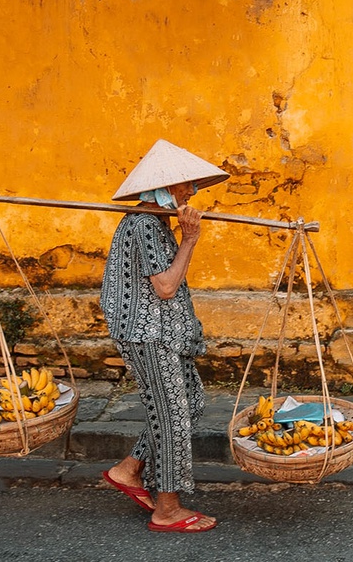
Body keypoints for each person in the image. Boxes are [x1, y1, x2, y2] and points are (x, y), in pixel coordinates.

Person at [100, 139, 229, 533]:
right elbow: (166, 287)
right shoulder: (144, 225)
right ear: (161, 188)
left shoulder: (154, 223)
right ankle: (167, 508)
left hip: (164, 332)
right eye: (184, 185)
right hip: (148, 334)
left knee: (189, 402)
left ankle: (129, 469)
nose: (191, 192)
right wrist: (190, 239)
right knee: (173, 416)